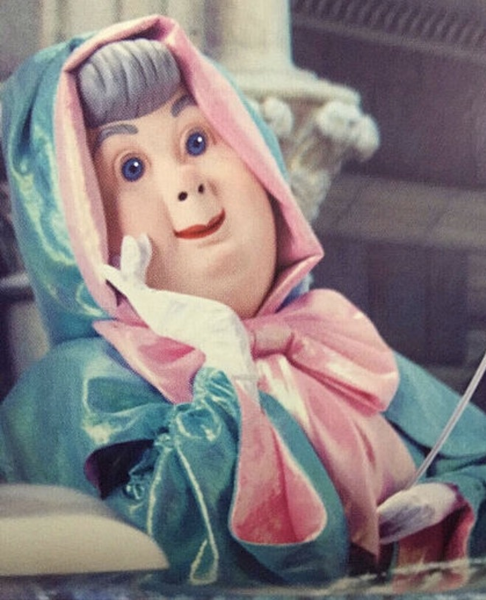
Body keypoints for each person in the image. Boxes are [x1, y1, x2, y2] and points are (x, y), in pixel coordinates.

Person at [0, 14, 485, 587]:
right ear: (74, 227)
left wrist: (449, 502)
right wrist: (223, 368)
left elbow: (473, 452)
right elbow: (179, 554)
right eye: (131, 168)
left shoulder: (337, 344)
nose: (186, 183)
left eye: (197, 141)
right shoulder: (77, 389)